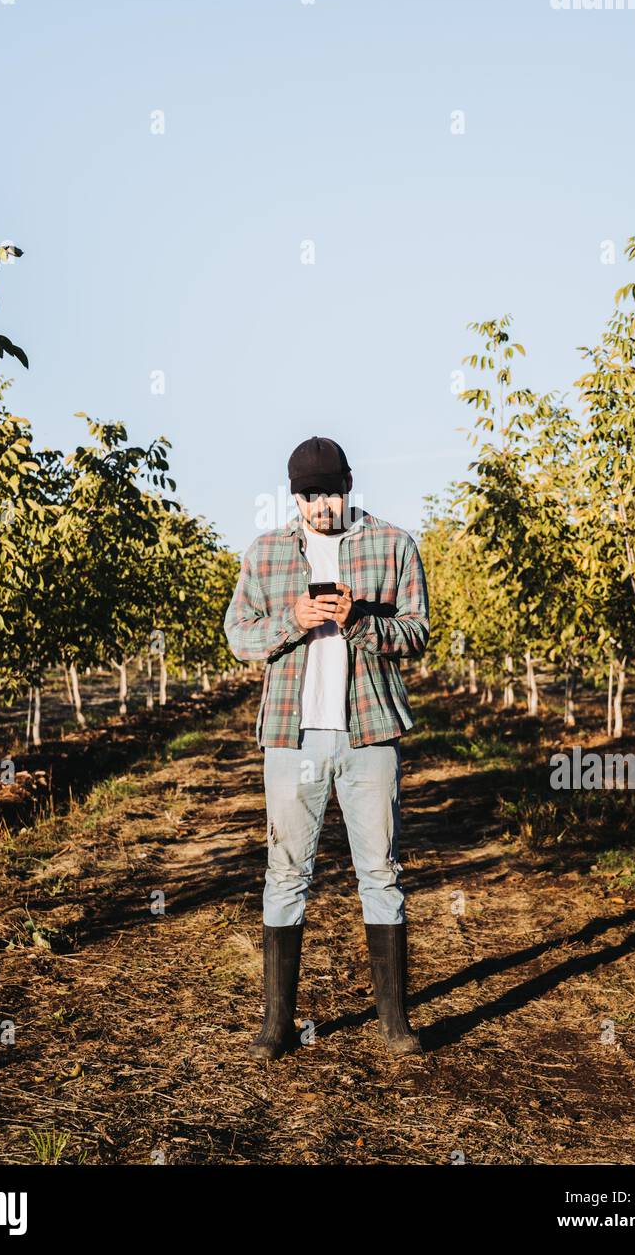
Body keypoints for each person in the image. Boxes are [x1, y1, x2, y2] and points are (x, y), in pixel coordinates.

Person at [223, 435, 430, 1061]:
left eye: (331, 493)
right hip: (292, 737)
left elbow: (418, 633)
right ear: (296, 496)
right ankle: (276, 1025)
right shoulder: (265, 555)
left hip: (369, 735)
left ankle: (394, 1023)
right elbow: (238, 636)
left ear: (348, 487)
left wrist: (362, 622)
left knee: (382, 873)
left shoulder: (393, 545)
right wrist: (294, 621)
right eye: (309, 496)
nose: (321, 506)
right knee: (286, 874)